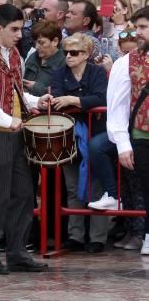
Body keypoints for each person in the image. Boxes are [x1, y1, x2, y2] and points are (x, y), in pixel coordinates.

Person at [0, 4, 51, 274]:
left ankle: (17, 252)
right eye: (14, 29)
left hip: (15, 134)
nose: (19, 34)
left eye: (21, 29)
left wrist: (37, 100)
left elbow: (15, 93)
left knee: (24, 195)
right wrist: (6, 119)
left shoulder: (15, 55)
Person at [51, 32, 109, 253]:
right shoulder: (59, 73)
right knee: (72, 186)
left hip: (95, 135)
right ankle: (75, 235)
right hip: (70, 135)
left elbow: (102, 97)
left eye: (74, 52)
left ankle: (97, 238)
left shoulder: (97, 73)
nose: (68, 56)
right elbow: (57, 99)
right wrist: (83, 102)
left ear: (86, 54)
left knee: (96, 186)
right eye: (66, 52)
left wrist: (74, 100)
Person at [106, 6, 149, 255]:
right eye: (137, 27)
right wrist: (122, 143)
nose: (138, 33)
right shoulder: (126, 63)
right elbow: (117, 106)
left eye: (143, 27)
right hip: (142, 135)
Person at [23, 20, 65, 96]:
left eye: (41, 43)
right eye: (35, 43)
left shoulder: (65, 62)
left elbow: (64, 94)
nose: (36, 47)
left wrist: (37, 88)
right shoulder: (32, 58)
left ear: (55, 41)